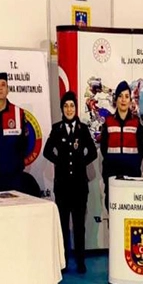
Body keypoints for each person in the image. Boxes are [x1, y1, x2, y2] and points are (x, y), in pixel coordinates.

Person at [44, 91, 97, 274]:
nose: (69, 109)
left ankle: (81, 261)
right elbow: (47, 151)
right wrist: (59, 162)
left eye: (72, 106)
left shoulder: (83, 129)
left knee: (79, 224)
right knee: (64, 225)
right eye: (66, 106)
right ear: (62, 109)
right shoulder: (57, 129)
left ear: (75, 108)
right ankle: (64, 261)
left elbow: (93, 152)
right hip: (62, 186)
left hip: (79, 186)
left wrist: (81, 162)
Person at [99, 80, 143, 211]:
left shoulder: (136, 123)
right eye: (120, 96)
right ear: (116, 99)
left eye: (126, 96)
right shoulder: (108, 122)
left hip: (132, 177)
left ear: (130, 100)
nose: (123, 100)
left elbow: (142, 148)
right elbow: (104, 148)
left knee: (131, 214)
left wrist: (133, 163)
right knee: (113, 213)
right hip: (112, 177)